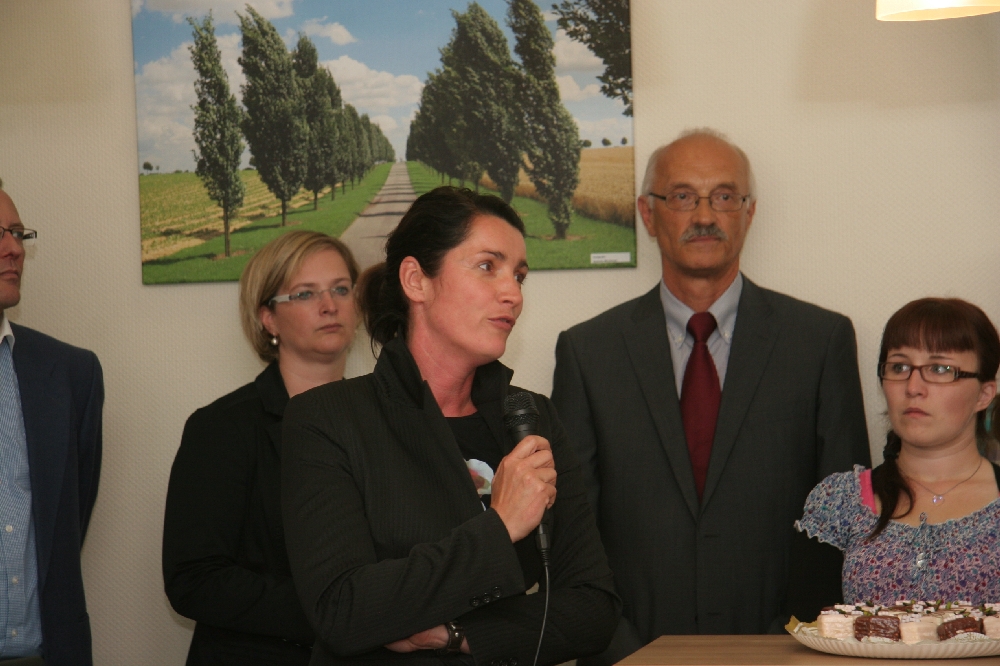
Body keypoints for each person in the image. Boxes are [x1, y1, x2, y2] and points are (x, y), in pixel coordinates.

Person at [550, 128, 871, 663]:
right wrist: (622, 650)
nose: (704, 215)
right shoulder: (588, 353)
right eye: (682, 196)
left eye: (724, 196)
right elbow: (571, 529)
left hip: (789, 650)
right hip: (627, 652)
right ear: (648, 214)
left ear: (749, 212)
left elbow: (846, 525)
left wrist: (792, 644)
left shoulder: (819, 343)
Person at [280, 186, 620, 665]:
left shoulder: (532, 417)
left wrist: (456, 635)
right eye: (487, 266)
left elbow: (593, 608)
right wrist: (500, 528)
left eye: (519, 276)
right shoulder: (327, 420)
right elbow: (344, 610)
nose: (513, 294)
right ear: (416, 280)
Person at [162, 231, 360, 665]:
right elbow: (194, 579)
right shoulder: (222, 427)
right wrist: (344, 613)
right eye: (306, 293)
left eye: (342, 289)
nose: (330, 305)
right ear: (268, 318)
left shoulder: (385, 420)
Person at [796, 298, 1000, 605]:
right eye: (899, 367)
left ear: (984, 394)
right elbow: (804, 625)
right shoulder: (839, 501)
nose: (913, 387)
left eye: (940, 369)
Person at [0, 184, 103, 665]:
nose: (15, 249)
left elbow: (67, 527)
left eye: (18, 233)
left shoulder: (71, 374)